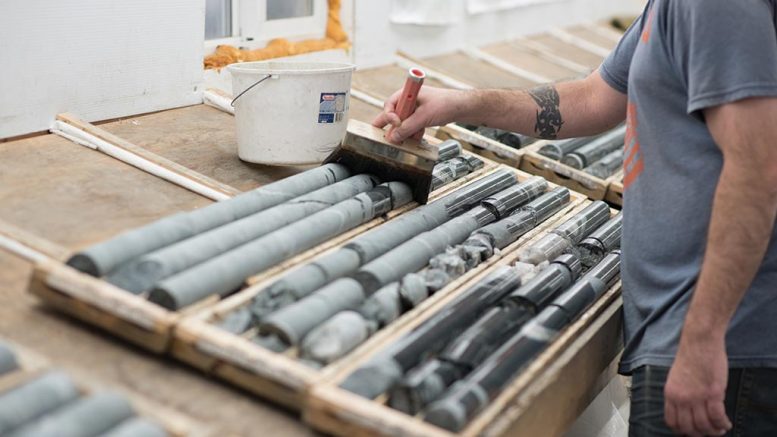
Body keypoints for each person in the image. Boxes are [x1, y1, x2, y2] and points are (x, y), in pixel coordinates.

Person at [373, 1, 777, 435]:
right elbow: (590, 99)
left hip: (723, 346)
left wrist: (701, 341)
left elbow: (760, 170)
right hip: (689, 332)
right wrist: (459, 103)